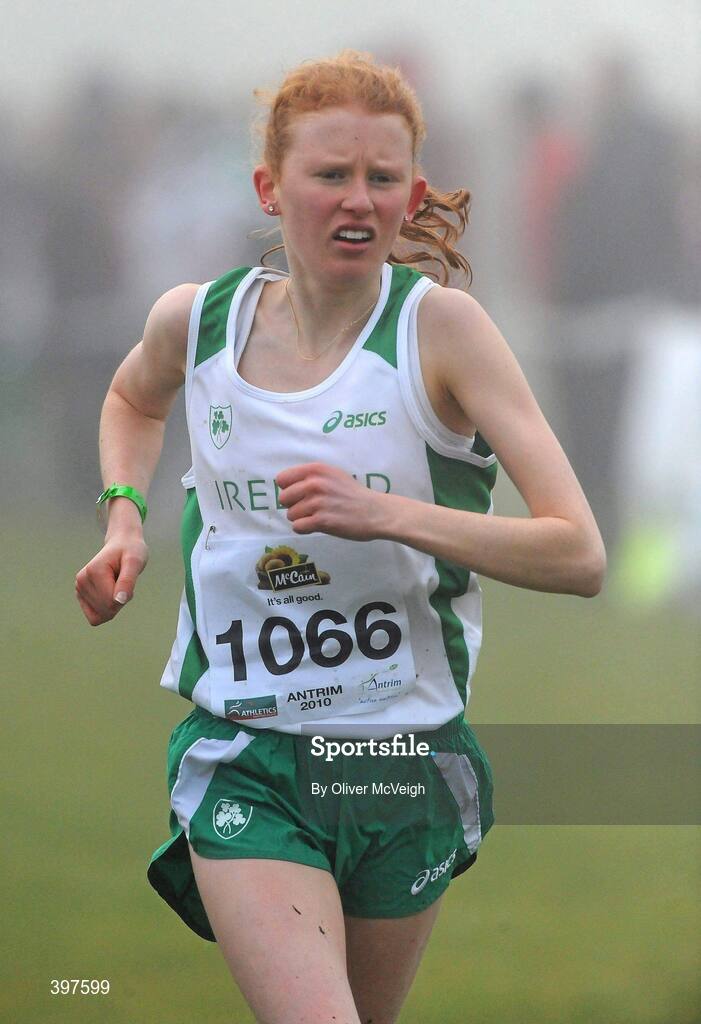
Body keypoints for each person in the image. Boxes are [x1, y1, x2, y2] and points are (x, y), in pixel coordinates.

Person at [75, 50, 605, 1024]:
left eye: (381, 176)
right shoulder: (199, 323)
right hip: (250, 757)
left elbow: (577, 553)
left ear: (409, 190)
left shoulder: (439, 334)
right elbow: (129, 396)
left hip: (401, 762)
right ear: (270, 188)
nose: (358, 199)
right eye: (330, 175)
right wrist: (124, 514)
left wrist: (388, 513)